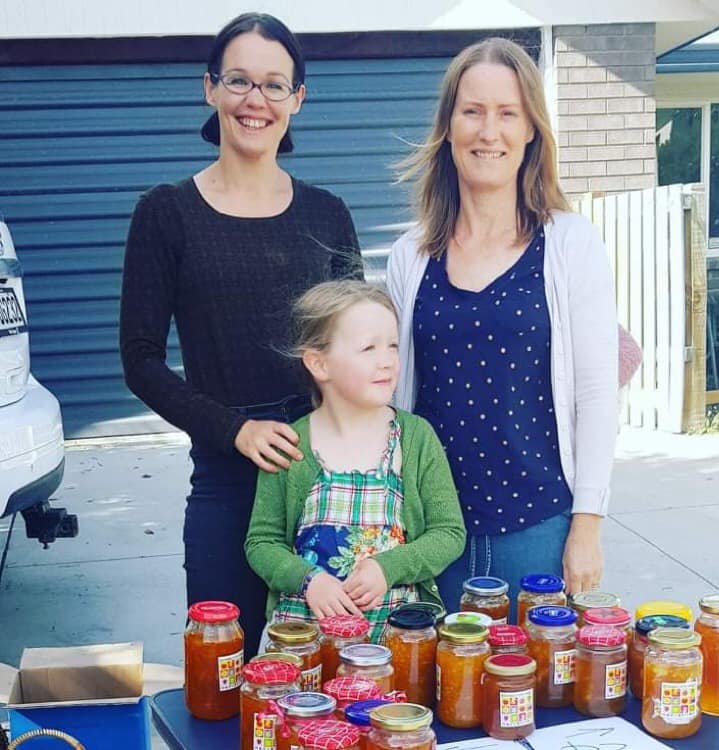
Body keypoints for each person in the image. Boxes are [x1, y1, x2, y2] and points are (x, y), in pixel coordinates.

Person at [120, 13, 362, 657]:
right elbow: (140, 362)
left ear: (297, 100)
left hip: (324, 480)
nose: (256, 100)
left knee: (328, 671)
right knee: (223, 671)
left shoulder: (327, 214)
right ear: (210, 89)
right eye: (239, 80)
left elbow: (357, 348)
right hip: (227, 479)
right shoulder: (165, 213)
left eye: (274, 84)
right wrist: (235, 430)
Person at [386, 38, 618, 620]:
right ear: (448, 126)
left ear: (531, 130)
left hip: (538, 529)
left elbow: (595, 392)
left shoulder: (568, 243)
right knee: (432, 703)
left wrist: (586, 526)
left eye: (507, 113)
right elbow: (387, 396)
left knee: (537, 702)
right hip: (430, 536)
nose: (489, 131)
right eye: (473, 111)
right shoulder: (410, 256)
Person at [245, 281, 466, 643]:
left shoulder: (414, 438)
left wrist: (387, 567)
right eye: (368, 348)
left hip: (396, 643)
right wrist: (308, 580)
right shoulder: (290, 445)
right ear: (319, 363)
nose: (387, 360)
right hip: (303, 642)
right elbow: (262, 542)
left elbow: (449, 534)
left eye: (393, 345)